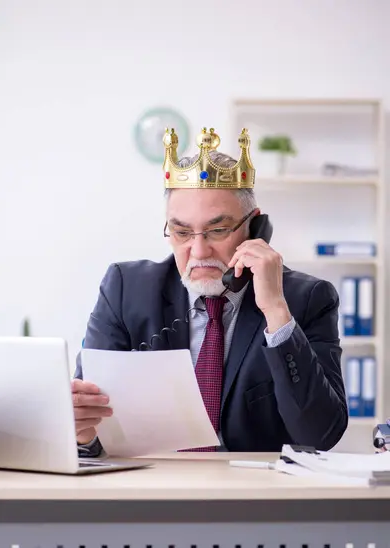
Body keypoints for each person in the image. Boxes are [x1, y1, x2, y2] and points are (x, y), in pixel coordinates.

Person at [72, 127, 348, 456]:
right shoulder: (125, 289)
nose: (199, 251)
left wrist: (276, 312)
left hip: (255, 497)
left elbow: (321, 434)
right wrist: (82, 432)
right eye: (182, 232)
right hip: (150, 491)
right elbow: (90, 434)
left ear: (256, 227)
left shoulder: (307, 299)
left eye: (217, 230)